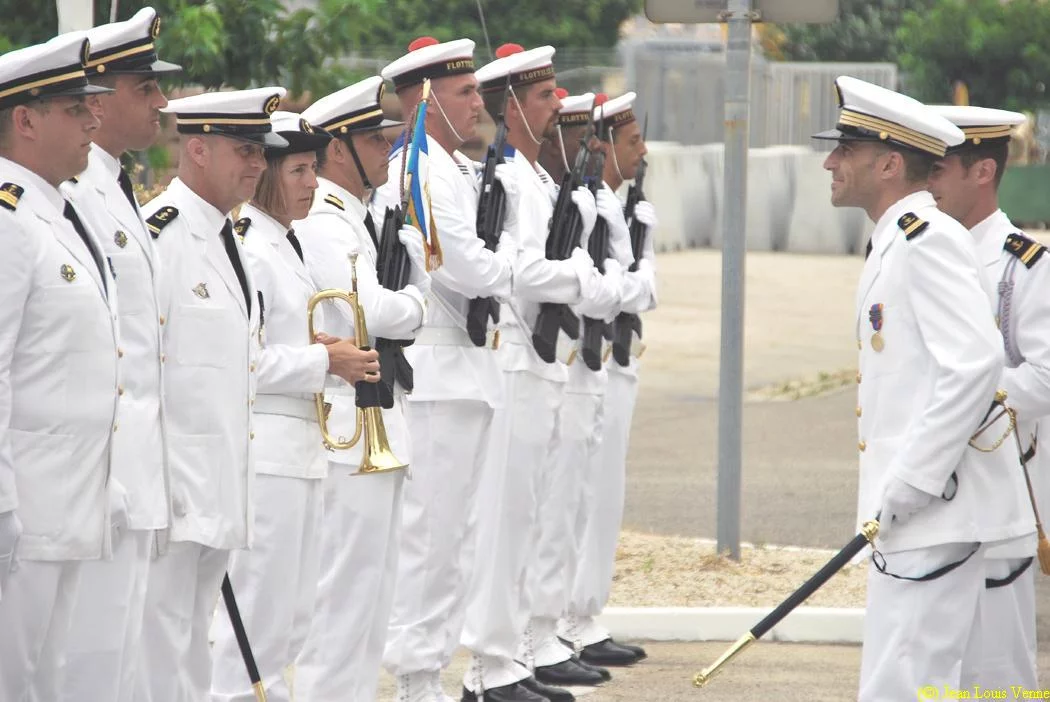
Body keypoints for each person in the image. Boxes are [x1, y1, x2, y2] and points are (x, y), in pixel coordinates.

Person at [813, 75, 1034, 701]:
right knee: (919, 679)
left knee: (905, 683)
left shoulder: (925, 240)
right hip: (920, 512)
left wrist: (913, 480)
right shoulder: (898, 240)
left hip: (932, 506)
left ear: (887, 163)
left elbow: (973, 362)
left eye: (844, 152)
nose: (830, 163)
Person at [461, 45, 620, 702]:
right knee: (506, 522)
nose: (558, 107)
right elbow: (517, 270)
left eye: (555, 95)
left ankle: (514, 658)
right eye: (543, 97)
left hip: (540, 365)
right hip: (516, 365)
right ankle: (488, 668)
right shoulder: (504, 180)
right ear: (513, 110)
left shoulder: (537, 181)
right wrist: (583, 280)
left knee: (528, 517)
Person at [209, 111, 380, 702]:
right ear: (266, 176)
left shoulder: (286, 244)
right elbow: (243, 363)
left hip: (301, 448)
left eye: (314, 168)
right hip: (269, 451)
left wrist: (321, 350)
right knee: (254, 625)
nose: (313, 182)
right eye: (300, 170)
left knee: (291, 618)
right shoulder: (252, 247)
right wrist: (324, 361)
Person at [372, 36, 516, 702]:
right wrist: (510, 257)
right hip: (435, 377)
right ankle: (416, 677)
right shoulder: (420, 168)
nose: (478, 102)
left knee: (452, 537)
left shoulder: (448, 168)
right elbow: (464, 265)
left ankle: (427, 669)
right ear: (425, 101)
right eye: (464, 93)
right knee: (431, 540)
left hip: (460, 375)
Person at [136, 86, 285, 702]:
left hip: (218, 482)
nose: (257, 164)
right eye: (244, 149)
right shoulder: (160, 238)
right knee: (158, 647)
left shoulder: (230, 239)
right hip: (173, 491)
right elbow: (142, 371)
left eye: (260, 152)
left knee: (191, 642)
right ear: (196, 148)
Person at [294, 75, 429, 702]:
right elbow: (362, 311)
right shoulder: (325, 220)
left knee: (372, 593)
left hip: (374, 416)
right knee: (343, 597)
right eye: (377, 140)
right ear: (337, 148)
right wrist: (417, 301)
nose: (387, 150)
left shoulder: (358, 216)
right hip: (346, 432)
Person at [59, 9, 181, 700]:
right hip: (96, 470)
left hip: (135, 464)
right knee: (86, 660)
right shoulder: (73, 192)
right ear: (97, 100)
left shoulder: (118, 187)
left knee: (122, 658)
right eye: (146, 88)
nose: (162, 102)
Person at [0, 32, 119, 701]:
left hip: (68, 506)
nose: (93, 120)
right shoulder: (8, 219)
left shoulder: (58, 211)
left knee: (49, 684)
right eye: (76, 108)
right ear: (25, 119)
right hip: (24, 511)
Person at [927, 104, 1045, 690]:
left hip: (1001, 486)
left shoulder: (1024, 266)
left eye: (940, 168)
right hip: (930, 489)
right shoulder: (921, 252)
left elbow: (1046, 377)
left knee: (998, 670)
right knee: (932, 668)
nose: (928, 181)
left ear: (982, 172)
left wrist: (968, 399)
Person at [560, 92, 656, 669]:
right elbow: (615, 287)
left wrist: (628, 282)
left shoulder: (629, 207)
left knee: (605, 493)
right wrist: (629, 283)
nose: (640, 149)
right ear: (602, 148)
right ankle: (567, 618)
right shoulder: (589, 203)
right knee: (578, 493)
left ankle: (586, 615)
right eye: (630, 140)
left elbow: (647, 287)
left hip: (620, 359)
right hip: (582, 359)